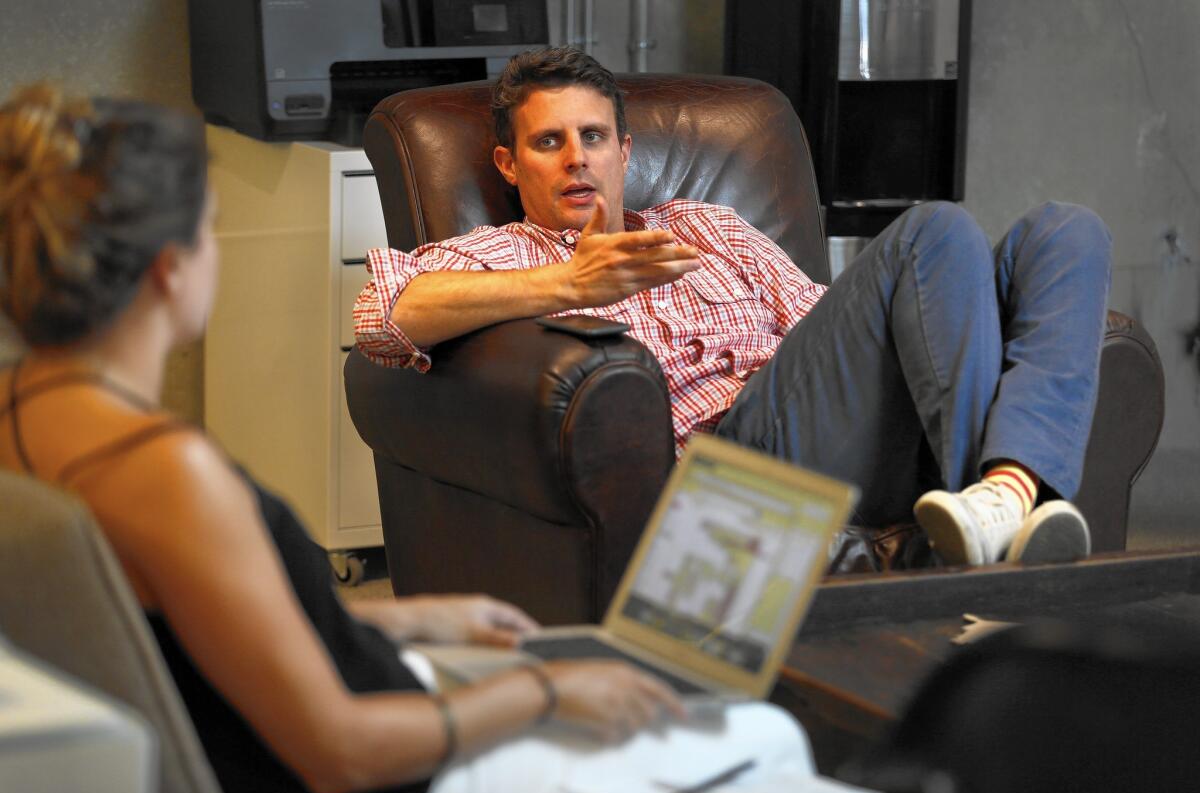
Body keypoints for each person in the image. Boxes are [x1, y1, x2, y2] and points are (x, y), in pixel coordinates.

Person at [0, 85, 836, 793]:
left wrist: (425, 619)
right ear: (169, 269)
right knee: (766, 738)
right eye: (211, 230)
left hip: (374, 698)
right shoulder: (169, 473)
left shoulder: (27, 421)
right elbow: (338, 752)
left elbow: (198, 627)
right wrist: (546, 691)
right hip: (413, 770)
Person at [354, 47, 1112, 567]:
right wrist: (568, 286)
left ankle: (1004, 494)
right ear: (509, 164)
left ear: (624, 149)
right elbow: (383, 318)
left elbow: (831, 324)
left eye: (592, 136)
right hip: (733, 465)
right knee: (935, 230)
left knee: (1066, 232)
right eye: (548, 142)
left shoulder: (705, 224)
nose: (576, 156)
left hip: (832, 429)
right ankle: (1009, 503)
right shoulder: (507, 253)